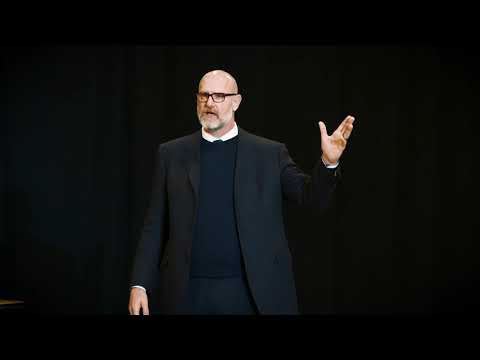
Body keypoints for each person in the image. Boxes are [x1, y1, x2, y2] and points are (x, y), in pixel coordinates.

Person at [128, 69, 355, 315]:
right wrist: (139, 284)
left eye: (218, 96)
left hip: (252, 294)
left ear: (236, 102)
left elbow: (311, 198)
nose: (209, 103)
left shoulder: (269, 154)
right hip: (187, 293)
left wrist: (328, 163)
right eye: (203, 96)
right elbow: (154, 225)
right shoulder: (171, 154)